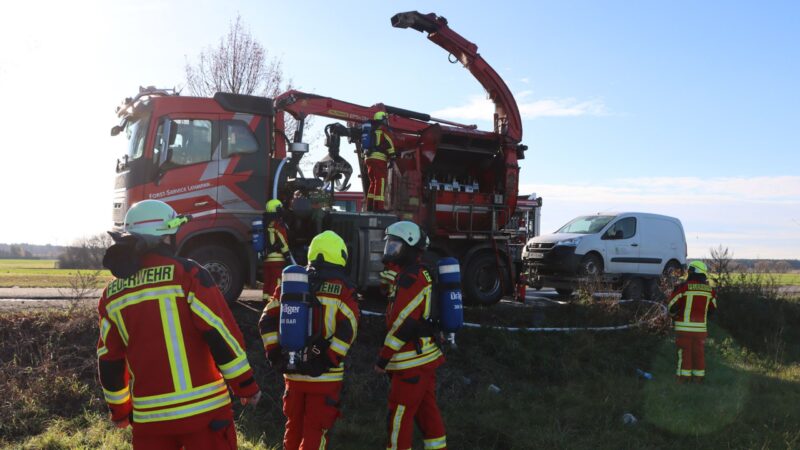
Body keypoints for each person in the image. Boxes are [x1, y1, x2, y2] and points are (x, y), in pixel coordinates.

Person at [97, 199, 261, 449]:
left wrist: (119, 411)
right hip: (204, 415)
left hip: (149, 421)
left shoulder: (112, 294)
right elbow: (220, 334)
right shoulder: (189, 275)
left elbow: (109, 359)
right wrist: (245, 386)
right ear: (166, 236)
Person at [259, 230, 360, 450]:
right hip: (325, 376)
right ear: (340, 255)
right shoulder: (343, 289)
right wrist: (327, 359)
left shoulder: (291, 282)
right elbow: (349, 327)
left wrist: (274, 353)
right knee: (315, 431)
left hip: (292, 372)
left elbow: (266, 320)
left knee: (293, 427)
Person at [374, 221, 447, 450]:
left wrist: (382, 359)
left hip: (410, 362)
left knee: (398, 418)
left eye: (396, 246)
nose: (390, 251)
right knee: (427, 414)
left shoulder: (412, 279)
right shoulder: (410, 275)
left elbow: (402, 324)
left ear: (410, 248)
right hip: (423, 357)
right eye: (390, 245)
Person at [668, 260, 718, 383]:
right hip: (701, 330)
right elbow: (713, 309)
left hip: (683, 328)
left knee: (684, 353)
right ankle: (698, 378)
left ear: (692, 271)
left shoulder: (683, 287)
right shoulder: (710, 291)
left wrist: (673, 316)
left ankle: (683, 379)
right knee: (699, 353)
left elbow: (671, 307)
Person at [262, 199, 294, 302]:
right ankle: (274, 302)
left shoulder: (265, 223)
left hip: (266, 258)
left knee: (268, 281)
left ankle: (265, 299)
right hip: (277, 258)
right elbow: (282, 240)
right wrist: (287, 255)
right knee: (276, 282)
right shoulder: (278, 224)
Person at [364, 111, 396, 212]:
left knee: (373, 182)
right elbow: (389, 142)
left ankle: (369, 207)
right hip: (379, 158)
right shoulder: (383, 129)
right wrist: (393, 156)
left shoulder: (371, 130)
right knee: (380, 181)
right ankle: (379, 207)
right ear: (383, 119)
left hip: (368, 158)